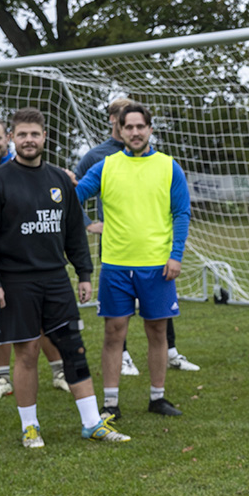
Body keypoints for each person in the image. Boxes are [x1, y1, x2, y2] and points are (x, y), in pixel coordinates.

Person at [0, 107, 130, 448]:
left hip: (56, 280)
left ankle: (91, 422)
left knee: (74, 349)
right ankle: (30, 426)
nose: (28, 140)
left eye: (34, 134)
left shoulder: (59, 180)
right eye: (22, 134)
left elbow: (74, 232)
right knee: (27, 354)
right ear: (12, 138)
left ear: (44, 137)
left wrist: (84, 273)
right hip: (15, 282)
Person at [74, 102, 190, 419]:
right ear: (120, 130)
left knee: (158, 333)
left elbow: (181, 214)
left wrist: (175, 255)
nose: (135, 132)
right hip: (115, 266)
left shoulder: (169, 167)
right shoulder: (106, 166)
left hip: (157, 267)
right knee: (114, 333)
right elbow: (75, 197)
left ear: (150, 130)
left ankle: (157, 398)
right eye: (129, 127)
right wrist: (84, 221)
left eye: (141, 127)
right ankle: (110, 403)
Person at [0, 116, 71, 400]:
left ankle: (59, 371)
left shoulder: (24, 167)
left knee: (43, 322)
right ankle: (3, 378)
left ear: (7, 138)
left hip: (31, 264)